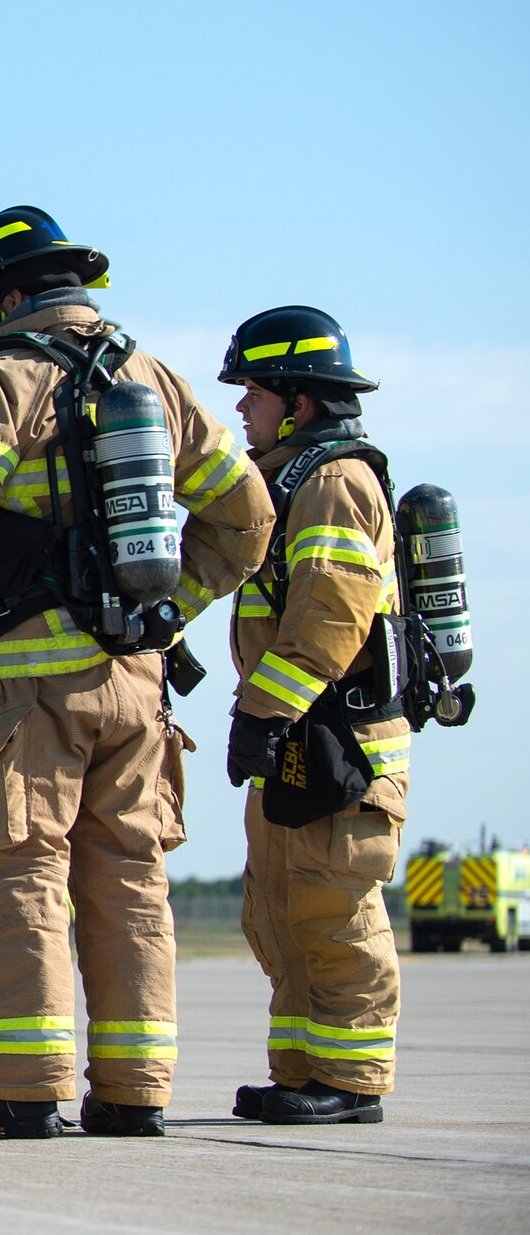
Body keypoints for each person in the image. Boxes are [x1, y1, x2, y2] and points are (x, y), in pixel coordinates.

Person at [0, 207, 273, 1139]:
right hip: (139, 686)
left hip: (25, 689)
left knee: (13, 876)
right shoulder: (153, 376)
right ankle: (135, 1092)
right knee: (128, 881)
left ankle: (17, 1086)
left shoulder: (2, 377)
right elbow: (246, 520)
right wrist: (172, 609)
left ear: (7, 297)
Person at [217, 306, 407, 1125]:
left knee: (334, 910)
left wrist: (260, 712)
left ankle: (354, 1081)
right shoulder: (291, 483)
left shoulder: (334, 482)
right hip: (301, 737)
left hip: (342, 741)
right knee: (279, 911)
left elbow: (331, 617)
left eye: (251, 391)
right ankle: (303, 1071)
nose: (240, 408)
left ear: (296, 401)